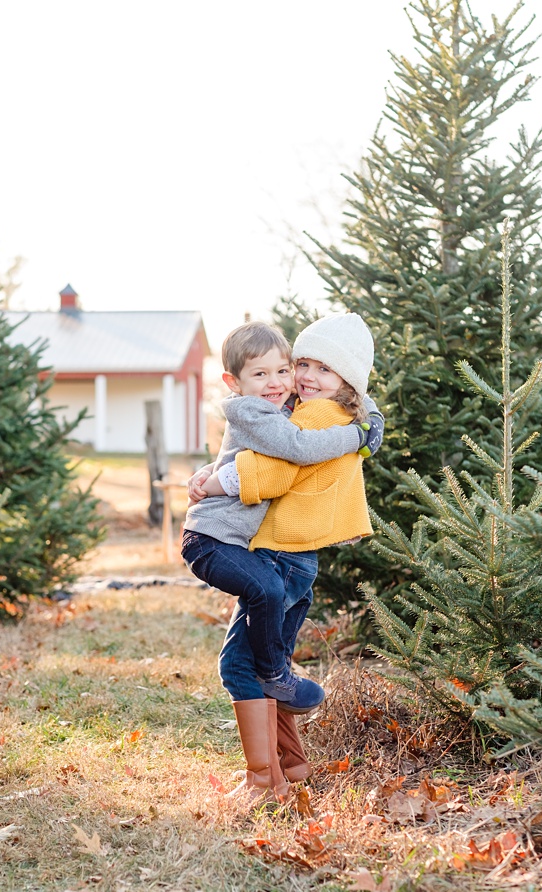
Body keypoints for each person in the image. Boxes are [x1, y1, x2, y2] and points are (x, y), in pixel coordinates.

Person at [179, 316, 381, 801]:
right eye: (303, 364)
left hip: (278, 554)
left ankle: (262, 783)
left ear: (346, 380)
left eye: (322, 369)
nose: (306, 377)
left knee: (242, 667)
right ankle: (291, 767)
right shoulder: (336, 410)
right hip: (292, 555)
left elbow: (272, 472)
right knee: (273, 667)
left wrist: (213, 480)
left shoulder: (312, 418)